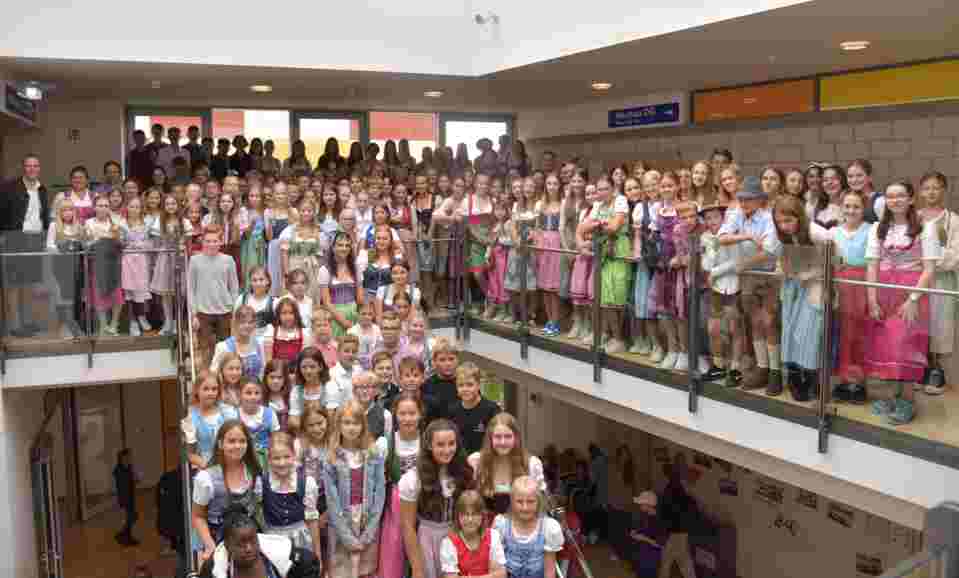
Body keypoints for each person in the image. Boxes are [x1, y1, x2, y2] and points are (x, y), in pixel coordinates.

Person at [865, 181, 940, 425]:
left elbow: (929, 270)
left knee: (905, 346)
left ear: (910, 199)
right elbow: (872, 265)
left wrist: (913, 299)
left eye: (900, 196)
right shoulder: (878, 228)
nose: (895, 200)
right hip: (884, 292)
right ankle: (890, 397)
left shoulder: (925, 228)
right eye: (890, 196)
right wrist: (872, 298)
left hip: (911, 293)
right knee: (885, 347)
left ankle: (907, 400)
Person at [719, 176, 782, 391]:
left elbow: (769, 250)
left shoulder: (768, 218)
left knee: (769, 322)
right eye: (741, 198)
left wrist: (743, 263)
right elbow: (722, 237)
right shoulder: (738, 214)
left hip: (768, 276)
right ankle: (762, 368)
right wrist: (746, 236)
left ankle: (775, 372)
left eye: (748, 199)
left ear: (759, 200)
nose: (743, 202)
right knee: (755, 323)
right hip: (747, 276)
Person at [401, 419, 474, 578]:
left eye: (451, 443)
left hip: (458, 536)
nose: (447, 450)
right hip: (427, 539)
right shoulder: (413, 479)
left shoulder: (464, 471)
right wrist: (417, 568)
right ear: (429, 445)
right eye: (440, 445)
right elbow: (408, 526)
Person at [322, 399, 387, 578]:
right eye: (347, 422)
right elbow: (332, 500)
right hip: (342, 522)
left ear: (363, 425)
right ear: (339, 425)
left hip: (366, 521)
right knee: (342, 571)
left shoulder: (374, 454)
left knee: (366, 571)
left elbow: (380, 493)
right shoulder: (332, 458)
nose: (351, 428)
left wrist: (369, 532)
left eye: (356, 423)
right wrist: (347, 536)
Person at [0, 154, 51, 337]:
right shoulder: (10, 188)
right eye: (28, 165)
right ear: (24, 168)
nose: (32, 169)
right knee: (14, 284)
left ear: (39, 168)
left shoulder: (42, 189)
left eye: (35, 165)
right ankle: (14, 325)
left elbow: (44, 217)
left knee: (30, 283)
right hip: (15, 239)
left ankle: (28, 322)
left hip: (36, 240)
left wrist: (46, 238)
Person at [198, 504, 321, 578]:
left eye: (253, 541)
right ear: (227, 546)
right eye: (241, 544)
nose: (249, 548)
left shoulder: (285, 554)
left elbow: (312, 565)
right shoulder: (213, 568)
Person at [917, 172, 958, 394]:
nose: (931, 192)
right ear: (921, 191)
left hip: (941, 281)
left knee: (939, 324)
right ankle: (921, 367)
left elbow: (954, 255)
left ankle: (937, 371)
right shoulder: (915, 217)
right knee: (919, 323)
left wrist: (929, 261)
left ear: (944, 190)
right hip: (916, 280)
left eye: (936, 187)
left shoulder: (953, 220)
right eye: (927, 188)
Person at [468, 413, 546, 517]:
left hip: (519, 527)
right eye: (498, 437)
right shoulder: (476, 461)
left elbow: (540, 505)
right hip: (486, 529)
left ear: (516, 438)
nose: (503, 442)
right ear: (490, 438)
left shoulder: (531, 464)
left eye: (508, 436)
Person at [262, 432, 322, 560]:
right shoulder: (262, 482)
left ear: (294, 456)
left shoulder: (306, 482)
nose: (282, 463)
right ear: (269, 459)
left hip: (300, 540)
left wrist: (317, 555)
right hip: (273, 540)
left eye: (286, 457)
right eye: (276, 458)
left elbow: (312, 521)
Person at [190, 225, 240, 370]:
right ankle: (207, 378)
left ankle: (223, 377)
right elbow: (191, 289)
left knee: (224, 349)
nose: (211, 244)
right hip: (203, 312)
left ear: (220, 242)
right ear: (202, 242)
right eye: (208, 241)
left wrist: (233, 307)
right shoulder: (195, 260)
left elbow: (234, 286)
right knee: (205, 349)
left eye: (214, 241)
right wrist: (194, 314)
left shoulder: (228, 260)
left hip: (224, 311)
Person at [493, 476, 564, 578]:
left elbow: (549, 570)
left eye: (530, 501)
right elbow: (498, 567)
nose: (525, 507)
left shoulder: (548, 527)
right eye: (519, 501)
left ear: (538, 501)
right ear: (512, 502)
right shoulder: (502, 525)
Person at [440, 490, 508, 578]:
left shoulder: (493, 536)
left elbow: (501, 574)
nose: (470, 519)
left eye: (475, 514)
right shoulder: (449, 543)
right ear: (458, 516)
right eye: (465, 514)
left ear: (482, 515)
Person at [448, 362, 501, 456]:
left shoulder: (492, 410)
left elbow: (497, 440)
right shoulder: (452, 410)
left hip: (485, 462)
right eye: (461, 385)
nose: (465, 389)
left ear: (478, 385)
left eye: (469, 385)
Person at [288, 347, 335, 432]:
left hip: (326, 433)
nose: (308, 371)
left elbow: (331, 417)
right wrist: (310, 429)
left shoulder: (329, 387)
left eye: (312, 367)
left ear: (320, 367)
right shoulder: (296, 390)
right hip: (304, 434)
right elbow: (293, 419)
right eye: (304, 367)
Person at [113, 448, 140, 546]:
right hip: (124, 497)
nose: (130, 458)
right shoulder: (118, 470)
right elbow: (121, 485)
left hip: (130, 496)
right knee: (130, 517)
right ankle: (125, 537)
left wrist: (134, 478)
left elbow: (133, 480)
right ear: (123, 457)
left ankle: (123, 535)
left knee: (131, 517)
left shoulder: (129, 467)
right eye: (128, 456)